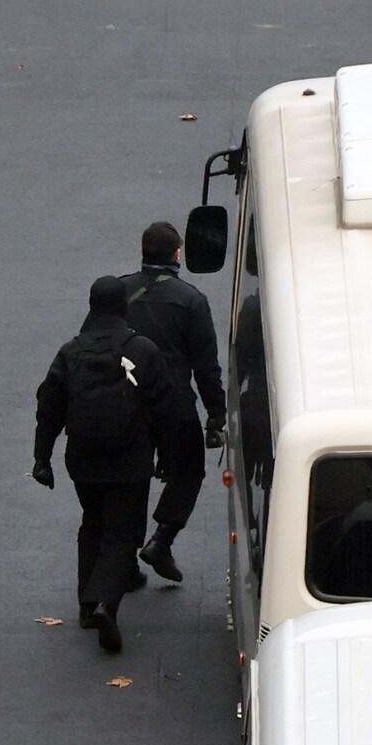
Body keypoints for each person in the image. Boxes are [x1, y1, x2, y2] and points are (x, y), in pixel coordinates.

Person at [34, 277, 177, 652]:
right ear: (123, 307)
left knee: (93, 522)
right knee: (123, 532)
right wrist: (167, 454)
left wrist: (41, 458)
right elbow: (163, 406)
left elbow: (49, 406)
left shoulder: (71, 351)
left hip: (82, 457)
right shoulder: (141, 350)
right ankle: (103, 604)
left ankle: (85, 603)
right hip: (129, 457)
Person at [108, 221, 227, 583]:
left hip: (125, 400)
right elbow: (206, 366)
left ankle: (123, 562)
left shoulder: (118, 292)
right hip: (174, 404)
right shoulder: (191, 300)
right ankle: (161, 539)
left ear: (143, 251)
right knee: (188, 471)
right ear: (178, 255)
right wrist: (215, 416)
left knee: (130, 481)